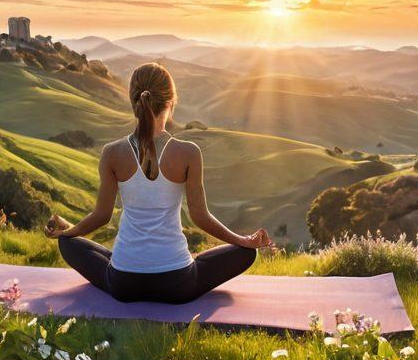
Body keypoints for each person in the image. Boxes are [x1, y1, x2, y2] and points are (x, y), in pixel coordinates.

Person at [45, 61, 271, 303]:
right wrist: (242, 241)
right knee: (246, 254)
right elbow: (200, 217)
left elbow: (102, 216)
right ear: (170, 102)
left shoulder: (112, 153)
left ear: (134, 103)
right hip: (178, 284)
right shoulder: (189, 152)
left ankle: (115, 256)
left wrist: (68, 232)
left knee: (68, 244)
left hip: (124, 284)